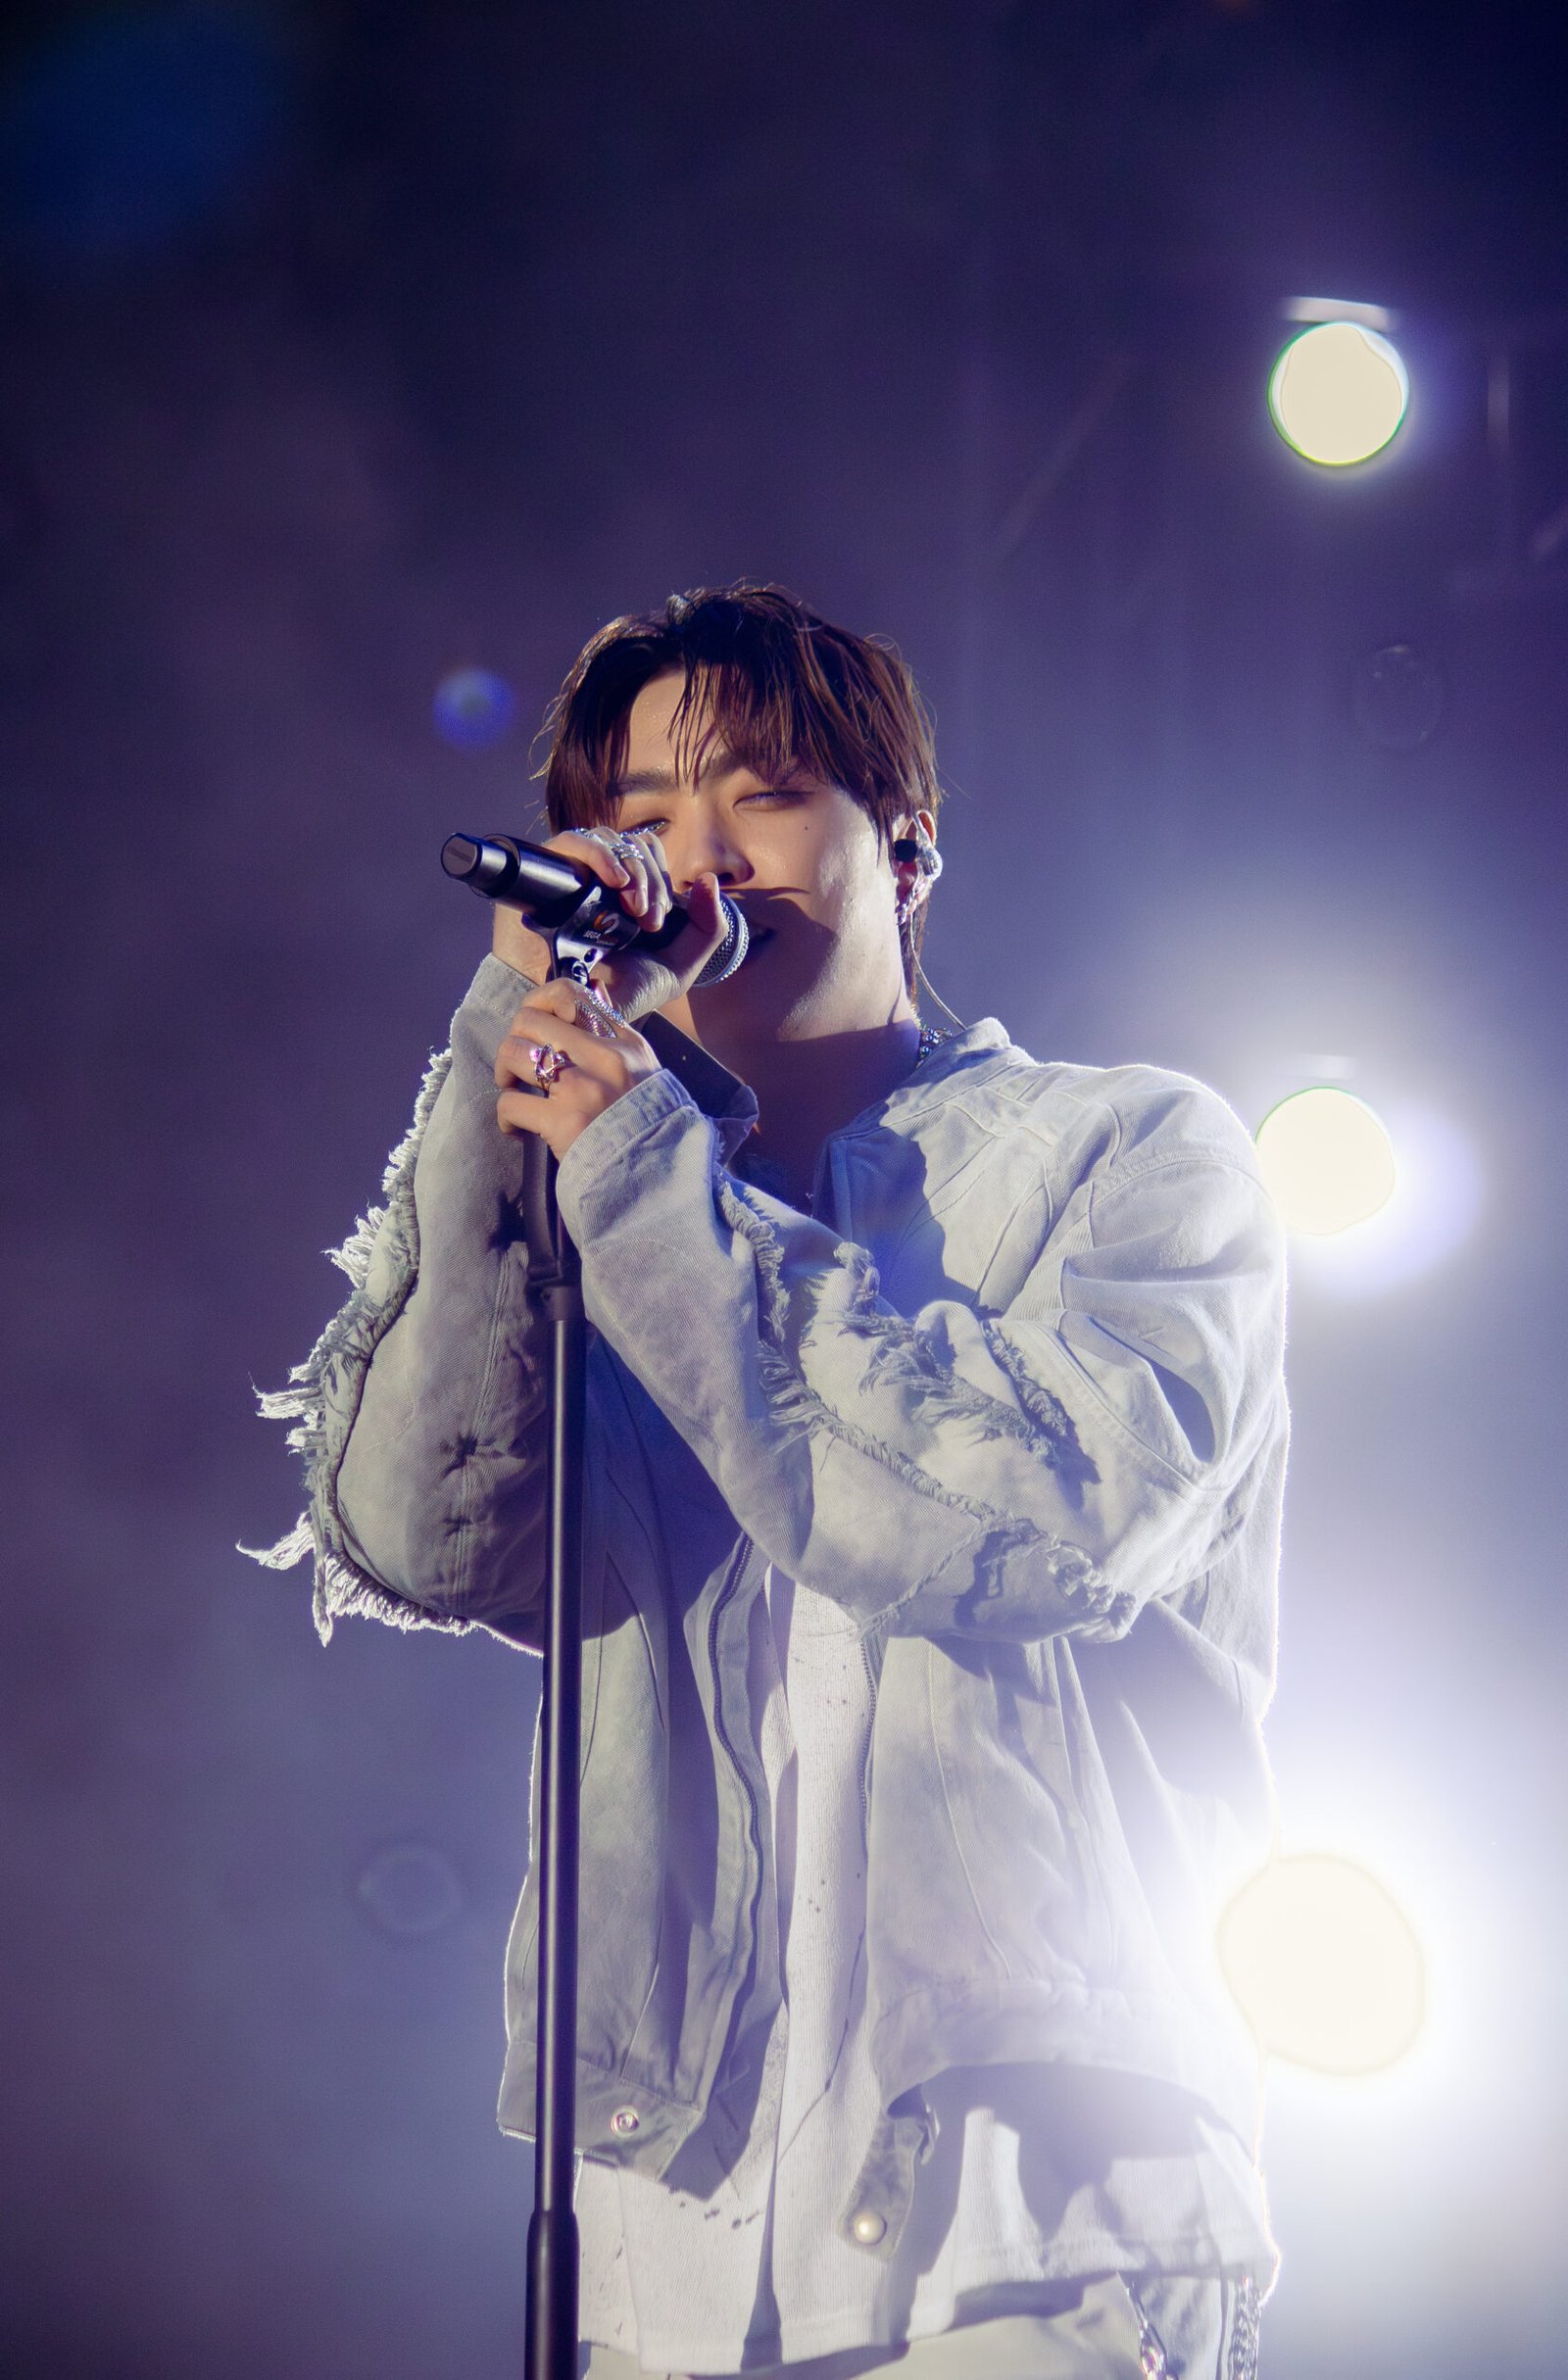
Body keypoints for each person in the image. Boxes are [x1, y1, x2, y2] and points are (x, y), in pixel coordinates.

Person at [255, 584, 1287, 2380]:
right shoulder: (611, 1197)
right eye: (643, 818)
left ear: (910, 844)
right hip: (669, 2245)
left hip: (1028, 2222)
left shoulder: (1131, 1153)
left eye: (766, 795)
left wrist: (653, 1181)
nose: (701, 859)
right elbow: (422, 1527)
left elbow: (1036, 1518)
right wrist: (507, 1046)